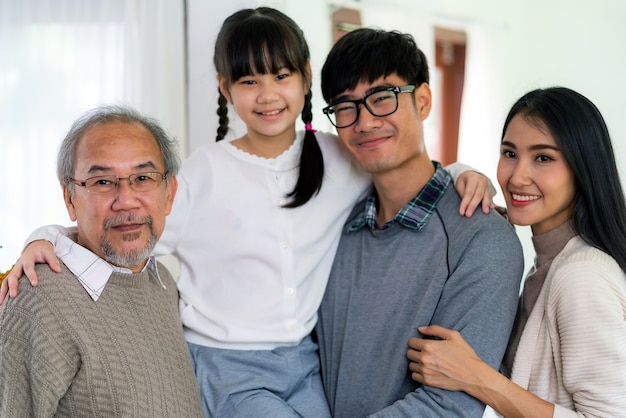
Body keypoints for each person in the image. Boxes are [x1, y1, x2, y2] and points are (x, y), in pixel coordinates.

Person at [1, 8, 494, 418]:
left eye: (281, 76)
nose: (267, 94)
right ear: (225, 87)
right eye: (248, 79)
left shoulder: (340, 160)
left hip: (305, 364)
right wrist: (44, 237)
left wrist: (462, 171)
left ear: (304, 78)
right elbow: (129, 222)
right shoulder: (202, 174)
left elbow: (400, 165)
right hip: (227, 366)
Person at [314, 28, 524, 417]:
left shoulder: (482, 239)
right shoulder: (334, 224)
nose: (364, 122)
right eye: (346, 106)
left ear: (423, 101)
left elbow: (450, 406)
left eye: (382, 98)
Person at [407, 87, 626, 417]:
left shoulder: (581, 277)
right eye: (509, 153)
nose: (517, 176)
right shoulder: (550, 262)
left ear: (583, 169)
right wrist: (467, 173)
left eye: (543, 158)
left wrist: (475, 377)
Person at [0, 105, 203, 417]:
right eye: (103, 182)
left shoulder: (161, 280)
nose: (126, 200)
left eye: (143, 177)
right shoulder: (39, 298)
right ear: (70, 198)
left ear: (169, 194)